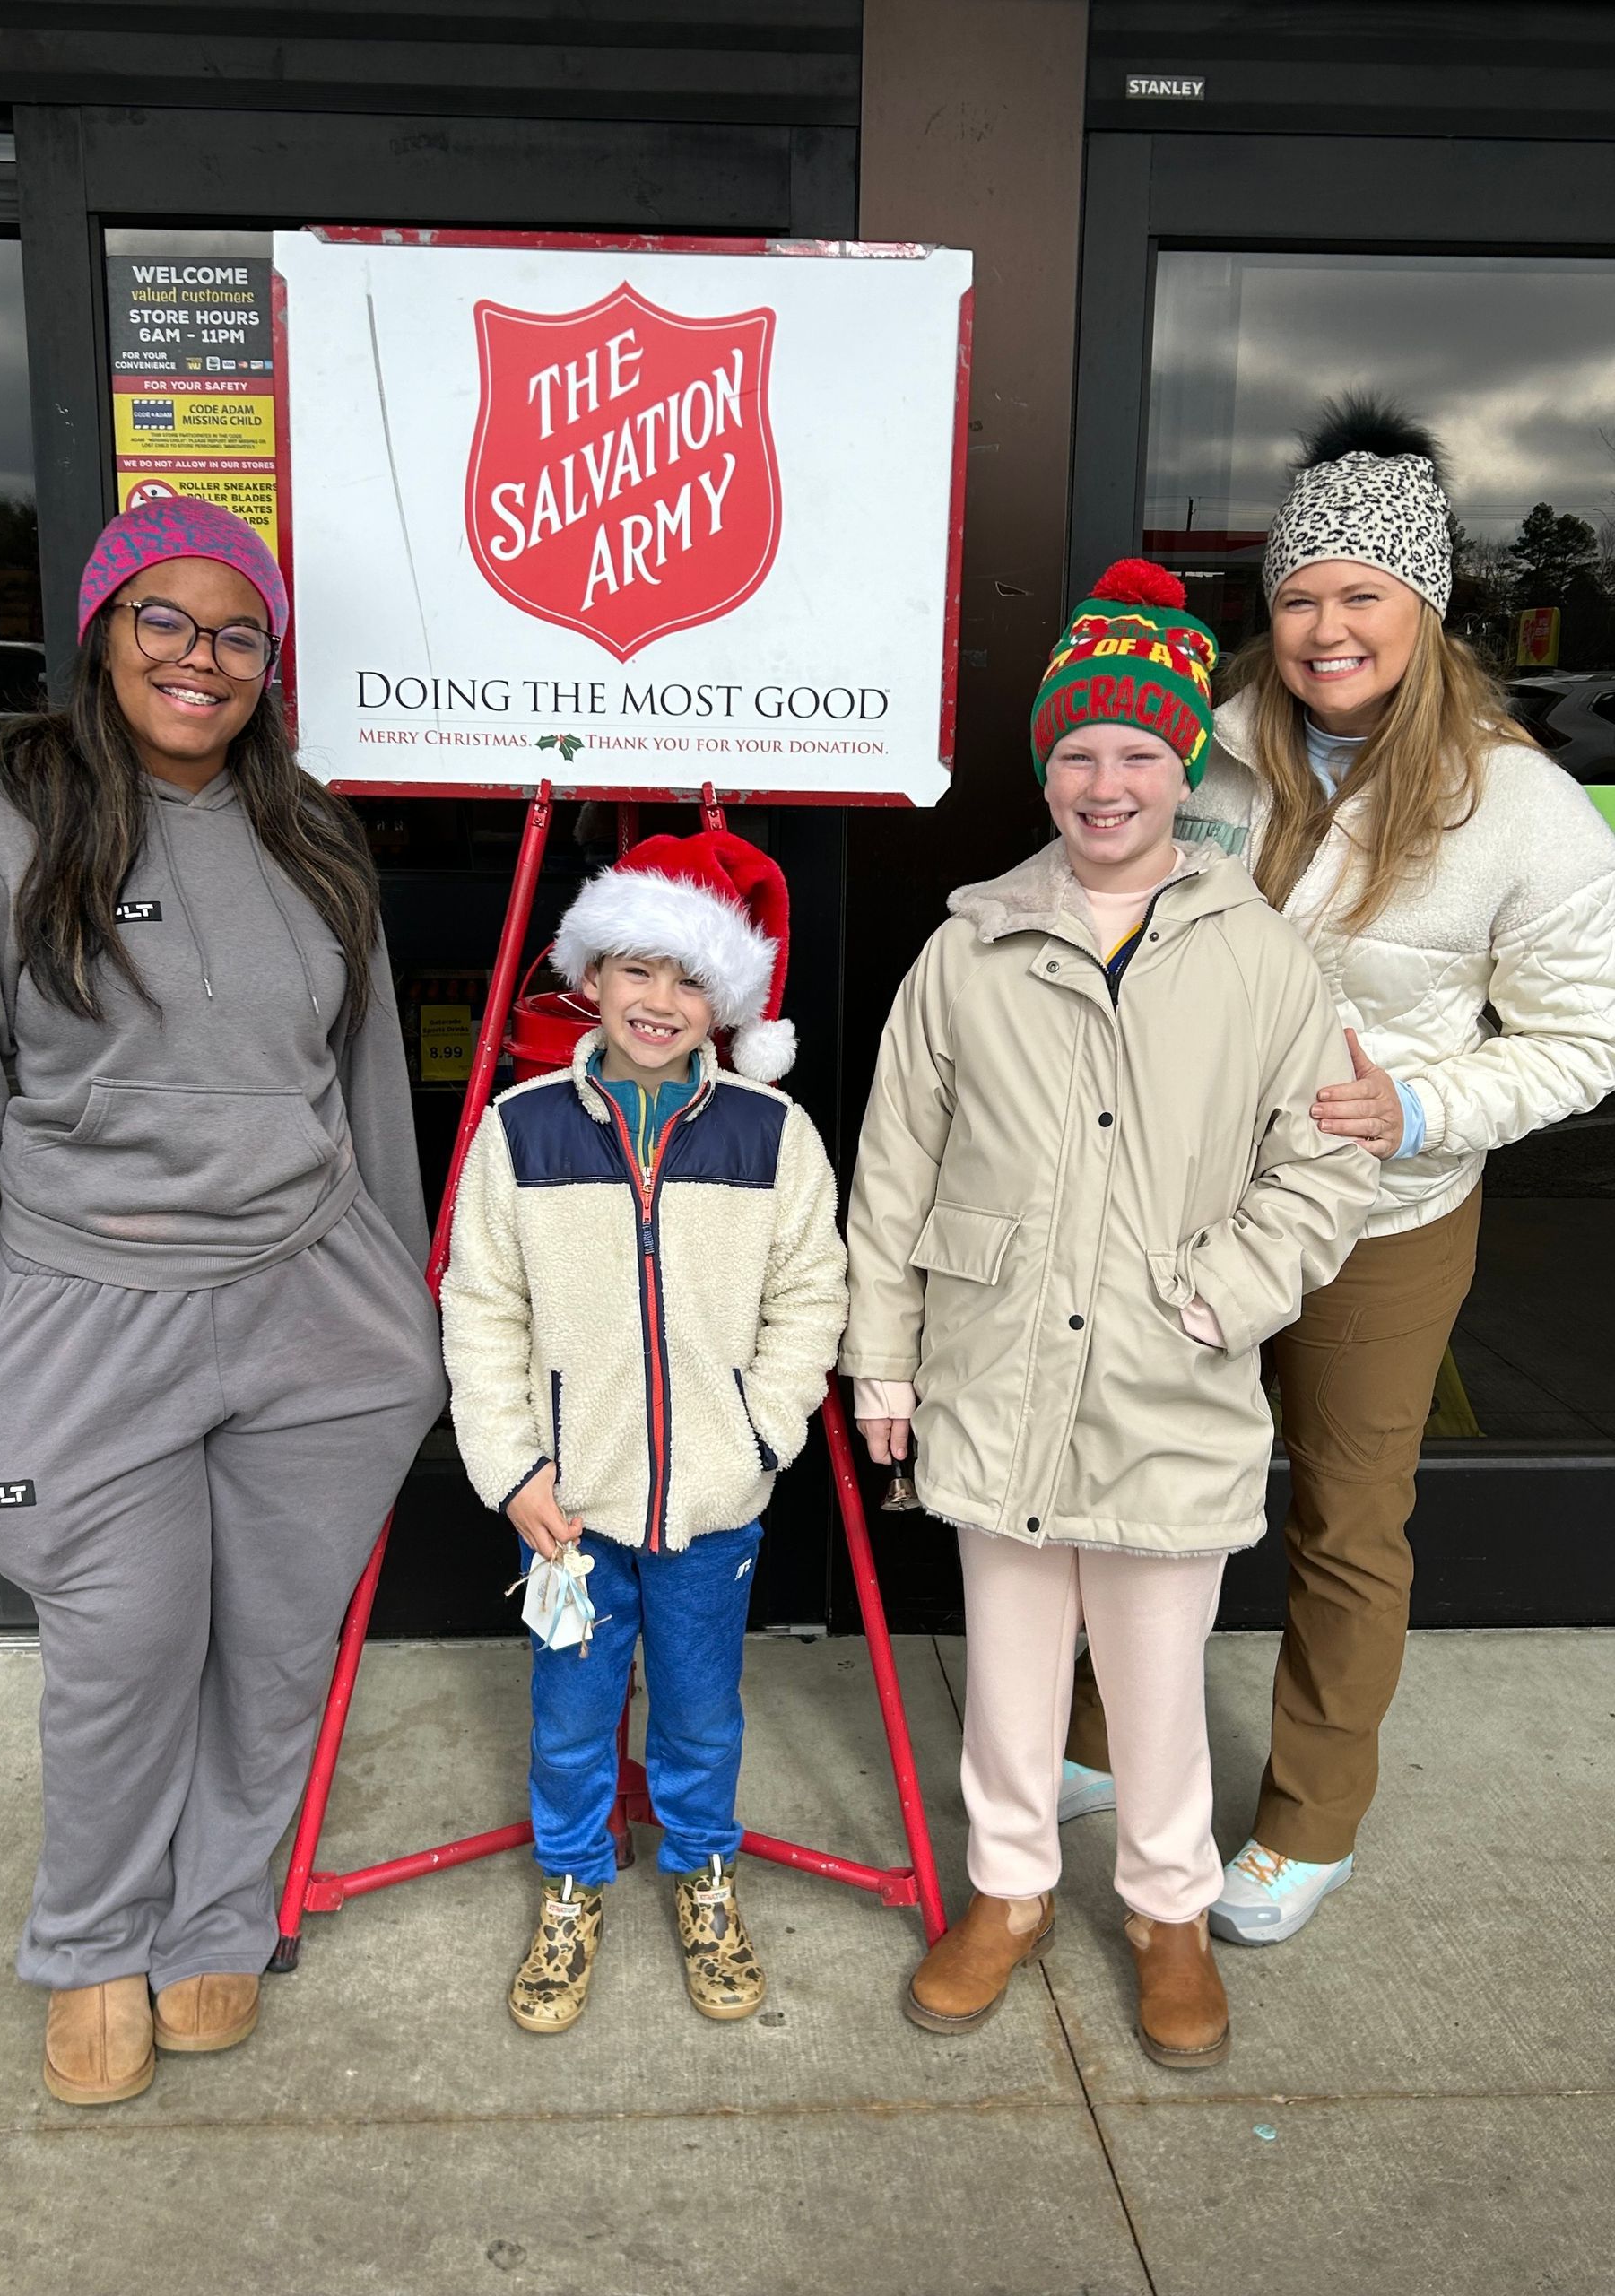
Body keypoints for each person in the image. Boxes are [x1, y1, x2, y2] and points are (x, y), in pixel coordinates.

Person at [0, 500, 446, 2105]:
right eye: (168, 622)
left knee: (271, 1652)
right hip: (87, 1314)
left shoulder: (316, 837)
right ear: (105, 633)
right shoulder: (1, 843)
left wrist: (394, 1315)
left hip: (312, 1314)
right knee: (123, 1651)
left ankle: (220, 1911)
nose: (202, 659)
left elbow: (363, 1101)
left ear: (271, 663)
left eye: (239, 632)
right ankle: (87, 1941)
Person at [1066, 400, 1615, 1947]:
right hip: (1193, 1196)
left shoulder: (1525, 808)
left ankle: (1311, 1818)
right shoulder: (1217, 746)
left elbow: (1583, 1043)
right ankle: (1106, 1734)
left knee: (1347, 1519)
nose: (1325, 626)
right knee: (1150, 1471)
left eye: (1363, 594)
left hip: (1386, 1217)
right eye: (1301, 593)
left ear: (1425, 611)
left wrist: (1423, 1103)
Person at [840, 561, 1377, 2067]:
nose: (1105, 780)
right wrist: (884, 1359)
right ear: (1045, 767)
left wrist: (1221, 1296)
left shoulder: (1264, 956)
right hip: (994, 1364)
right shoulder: (969, 949)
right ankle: (1005, 1892)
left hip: (1167, 1369)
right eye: (1076, 751)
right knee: (1009, 1666)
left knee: (1154, 1669)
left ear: (1182, 764)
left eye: (1138, 751)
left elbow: (1321, 1159)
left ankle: (1166, 1912)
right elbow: (896, 1170)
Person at [442, 830, 847, 2034]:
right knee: (571, 1713)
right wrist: (515, 1467)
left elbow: (809, 1299)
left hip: (711, 1508)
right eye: (635, 970)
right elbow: (481, 1308)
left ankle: (701, 1873)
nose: (660, 1002)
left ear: (724, 998)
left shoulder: (776, 1139)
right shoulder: (521, 1131)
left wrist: (754, 1441)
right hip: (562, 1512)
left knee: (702, 1709)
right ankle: (573, 1881)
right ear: (590, 978)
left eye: (688, 979)